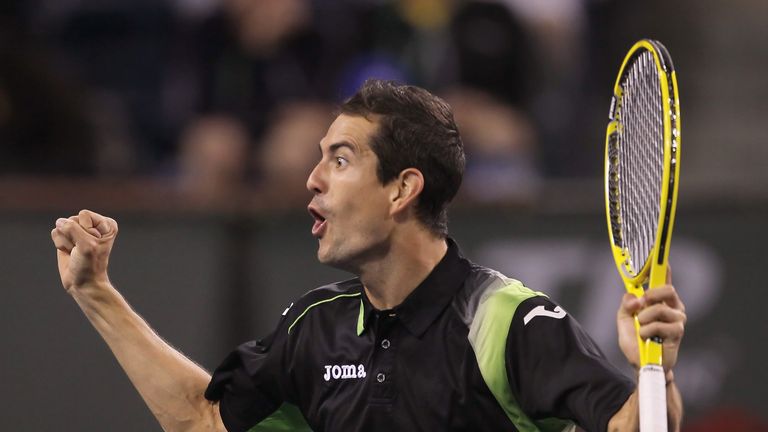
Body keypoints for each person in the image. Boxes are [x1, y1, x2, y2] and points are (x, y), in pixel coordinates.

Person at [51, 79, 685, 431]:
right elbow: (202, 420)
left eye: (341, 159)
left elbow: (633, 428)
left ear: (402, 189)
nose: (313, 179)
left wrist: (657, 370)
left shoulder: (506, 322)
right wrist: (95, 292)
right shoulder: (313, 330)